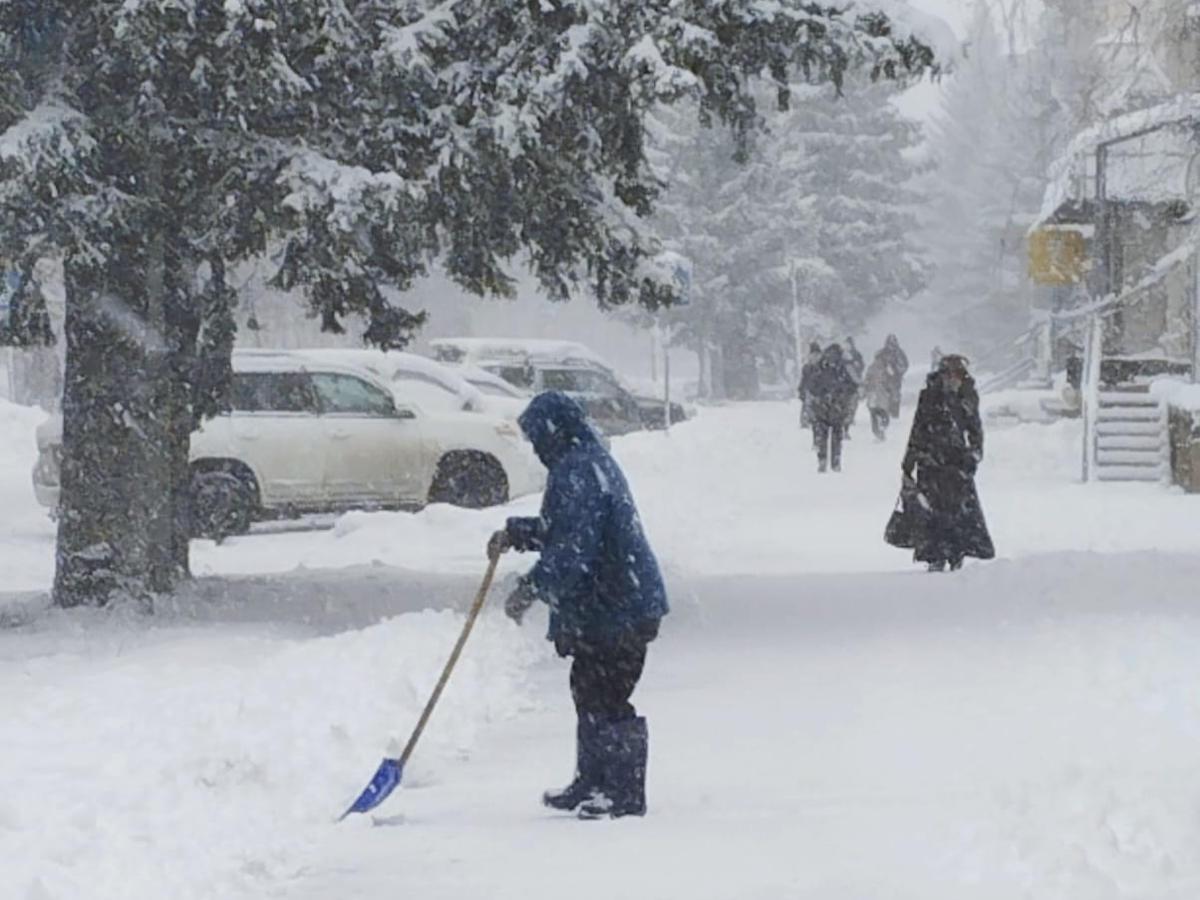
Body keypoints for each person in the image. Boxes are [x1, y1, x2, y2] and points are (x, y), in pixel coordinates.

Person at [489, 392, 668, 819]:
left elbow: (573, 551)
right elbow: (564, 528)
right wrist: (519, 533)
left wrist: (530, 589)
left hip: (620, 605)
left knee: (608, 696)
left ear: (556, 433)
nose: (535, 449)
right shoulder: (580, 463)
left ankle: (622, 792)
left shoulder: (580, 471)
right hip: (610, 604)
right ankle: (592, 780)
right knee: (587, 689)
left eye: (537, 439)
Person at [900, 355, 995, 572]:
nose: (954, 379)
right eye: (950, 374)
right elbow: (918, 428)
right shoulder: (929, 396)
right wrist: (909, 461)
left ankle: (956, 551)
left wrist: (973, 456)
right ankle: (935, 553)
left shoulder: (967, 396)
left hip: (957, 463)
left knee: (958, 512)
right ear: (942, 375)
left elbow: (975, 429)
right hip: (931, 462)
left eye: (958, 375)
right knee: (933, 511)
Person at [806, 344, 858, 473]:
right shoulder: (842, 368)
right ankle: (835, 462)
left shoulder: (820, 367)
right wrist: (843, 396)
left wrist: (819, 396)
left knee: (822, 435)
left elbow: (811, 385)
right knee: (836, 436)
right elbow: (853, 386)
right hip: (837, 407)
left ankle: (822, 460)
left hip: (822, 406)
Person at [863, 350, 891, 441]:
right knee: (876, 414)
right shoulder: (873, 368)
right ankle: (878, 432)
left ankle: (880, 431)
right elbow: (867, 380)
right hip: (874, 394)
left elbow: (891, 379)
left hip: (881, 395)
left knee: (880, 415)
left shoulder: (886, 368)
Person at [879, 334, 909, 419]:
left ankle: (894, 414)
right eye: (890, 341)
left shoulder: (899, 352)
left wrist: (898, 372)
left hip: (895, 379)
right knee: (884, 396)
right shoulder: (882, 353)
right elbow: (877, 364)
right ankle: (885, 413)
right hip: (883, 379)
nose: (891, 344)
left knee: (895, 396)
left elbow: (905, 364)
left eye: (893, 341)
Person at [842, 337, 865, 437]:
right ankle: (846, 424)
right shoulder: (841, 355)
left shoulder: (856, 354)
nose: (847, 346)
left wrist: (857, 366)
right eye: (845, 344)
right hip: (844, 386)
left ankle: (850, 419)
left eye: (848, 344)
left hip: (853, 383)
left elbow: (861, 366)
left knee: (853, 403)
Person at [797, 341, 822, 429]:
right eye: (812, 355)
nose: (814, 357)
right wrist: (801, 390)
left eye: (817, 355)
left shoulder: (822, 367)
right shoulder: (806, 367)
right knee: (807, 405)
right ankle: (805, 421)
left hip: (819, 392)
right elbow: (803, 380)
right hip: (808, 390)